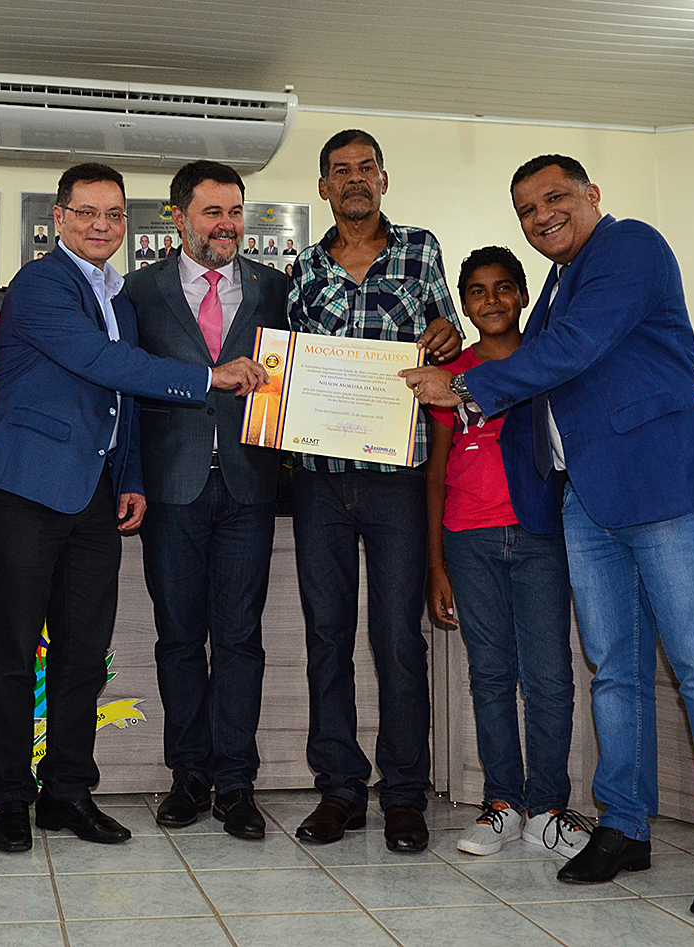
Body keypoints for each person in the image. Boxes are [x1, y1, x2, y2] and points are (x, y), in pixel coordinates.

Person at [404, 154, 694, 920]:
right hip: (587, 502)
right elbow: (538, 374)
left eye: (553, 197)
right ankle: (624, 825)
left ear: (591, 195)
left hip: (666, 487)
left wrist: (462, 385)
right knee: (614, 674)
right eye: (525, 209)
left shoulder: (629, 245)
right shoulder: (554, 286)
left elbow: (570, 350)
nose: (541, 215)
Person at [0, 162, 267, 854]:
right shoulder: (40, 284)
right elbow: (102, 364)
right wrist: (208, 376)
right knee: (14, 649)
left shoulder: (120, 296)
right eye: (86, 213)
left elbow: (123, 402)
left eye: (113, 215)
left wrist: (131, 475)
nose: (101, 226)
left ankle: (67, 791)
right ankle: (10, 796)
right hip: (26, 487)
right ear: (59, 217)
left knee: (83, 652)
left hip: (95, 495)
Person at [287, 129, 462, 854]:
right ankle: (339, 788)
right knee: (326, 636)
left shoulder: (420, 250)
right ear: (323, 187)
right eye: (341, 171)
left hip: (398, 477)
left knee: (396, 638)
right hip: (319, 480)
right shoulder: (302, 268)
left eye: (366, 168)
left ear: (383, 180)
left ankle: (403, 793)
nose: (354, 179)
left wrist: (446, 336)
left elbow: (449, 336)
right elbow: (291, 368)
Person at [122, 161, 289, 840]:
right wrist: (130, 476)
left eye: (235, 212)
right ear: (178, 217)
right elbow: (127, 391)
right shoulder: (139, 291)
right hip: (172, 488)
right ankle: (188, 774)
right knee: (180, 637)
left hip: (250, 485)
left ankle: (236, 782)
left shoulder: (275, 288)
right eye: (212, 212)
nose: (226, 225)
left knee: (241, 637)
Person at [425, 246, 591, 859]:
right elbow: (435, 471)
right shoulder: (451, 375)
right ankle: (502, 804)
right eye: (476, 291)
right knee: (490, 675)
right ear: (464, 305)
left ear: (523, 296)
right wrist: (436, 565)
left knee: (548, 676)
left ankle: (546, 808)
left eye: (503, 288)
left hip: (540, 536)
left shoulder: (547, 361)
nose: (491, 300)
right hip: (468, 540)